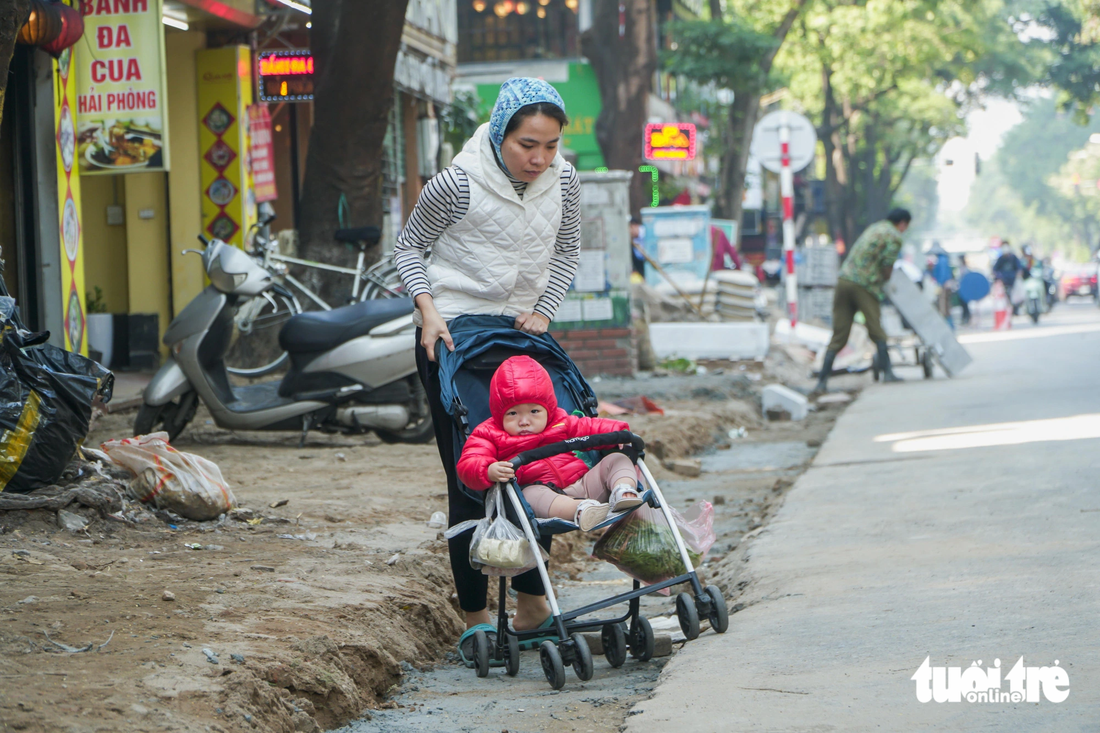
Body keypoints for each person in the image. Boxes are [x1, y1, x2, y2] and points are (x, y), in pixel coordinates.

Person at [392, 78, 581, 653]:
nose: (540, 158)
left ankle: (531, 607)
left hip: (522, 339)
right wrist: (428, 312)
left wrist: (545, 311)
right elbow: (408, 248)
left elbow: (567, 250)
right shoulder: (456, 184)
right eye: (528, 144)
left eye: (549, 146)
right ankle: (475, 615)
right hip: (452, 336)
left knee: (536, 461)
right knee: (474, 473)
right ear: (500, 132)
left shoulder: (565, 181)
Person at [456, 356, 642, 532]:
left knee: (616, 458)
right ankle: (580, 509)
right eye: (513, 413)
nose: (524, 421)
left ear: (548, 409)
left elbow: (591, 427)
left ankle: (623, 490)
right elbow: (469, 462)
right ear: (499, 414)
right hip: (544, 496)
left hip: (582, 484)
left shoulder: (561, 421)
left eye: (534, 411)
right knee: (530, 495)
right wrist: (488, 470)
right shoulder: (488, 433)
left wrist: (619, 431)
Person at [812, 208, 912, 395]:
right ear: (903, 223)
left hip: (843, 281)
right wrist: (886, 284)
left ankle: (822, 382)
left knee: (839, 335)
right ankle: (888, 373)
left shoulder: (875, 228)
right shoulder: (894, 236)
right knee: (876, 330)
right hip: (864, 285)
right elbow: (887, 266)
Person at [992, 243, 1023, 314]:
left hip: (1013, 280)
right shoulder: (1000, 259)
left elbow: (1019, 268)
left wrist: (1019, 273)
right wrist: (997, 276)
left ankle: (1016, 308)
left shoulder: (1013, 258)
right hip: (1004, 281)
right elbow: (995, 269)